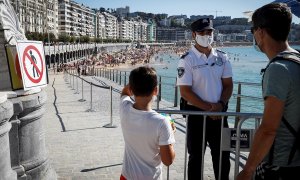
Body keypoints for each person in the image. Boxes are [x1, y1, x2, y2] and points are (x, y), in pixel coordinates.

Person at [237, 3, 300, 180]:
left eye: (253, 30)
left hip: (279, 165)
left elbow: (268, 129)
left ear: (261, 32)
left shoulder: (278, 68)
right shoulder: (296, 59)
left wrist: (248, 170)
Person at [177, 18, 233, 180]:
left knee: (223, 157)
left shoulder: (223, 57)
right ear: (194, 34)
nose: (206, 35)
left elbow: (228, 85)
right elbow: (185, 92)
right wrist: (209, 108)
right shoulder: (187, 59)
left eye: (209, 31)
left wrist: (220, 105)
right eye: (202, 32)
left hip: (220, 115)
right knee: (195, 158)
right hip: (196, 116)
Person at [120, 66, 176, 180]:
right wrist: (171, 134)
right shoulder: (161, 122)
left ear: (132, 89)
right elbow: (168, 161)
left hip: (126, 176)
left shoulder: (124, 108)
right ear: (156, 90)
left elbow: (124, 92)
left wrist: (133, 85)